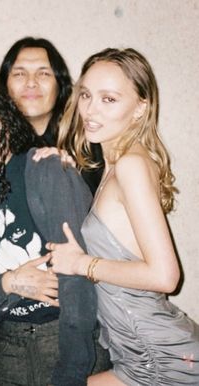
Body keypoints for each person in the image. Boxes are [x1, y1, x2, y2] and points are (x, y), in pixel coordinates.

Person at [45, 48, 199, 385]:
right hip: (138, 355)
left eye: (109, 99)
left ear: (140, 107)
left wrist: (80, 264)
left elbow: (165, 277)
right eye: (86, 94)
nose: (90, 109)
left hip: (161, 358)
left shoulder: (131, 165)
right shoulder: (117, 163)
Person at [0, 79, 98, 386]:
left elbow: (80, 286)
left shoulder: (46, 168)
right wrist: (8, 283)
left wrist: (72, 373)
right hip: (3, 343)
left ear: (9, 125)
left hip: (62, 336)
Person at [0, 36, 104, 195]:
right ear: (5, 84)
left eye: (43, 73)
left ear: (60, 85)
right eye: (19, 74)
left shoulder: (87, 143)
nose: (31, 83)